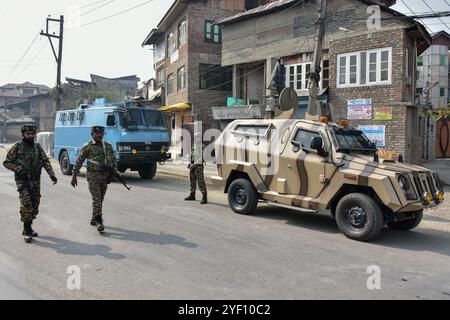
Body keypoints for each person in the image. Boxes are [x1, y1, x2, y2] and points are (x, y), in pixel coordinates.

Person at [3, 124, 57, 243]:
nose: (31, 136)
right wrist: (18, 169)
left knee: (35, 204)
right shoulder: (17, 147)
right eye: (28, 134)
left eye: (33, 134)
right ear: (23, 134)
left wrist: (52, 174)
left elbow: (45, 161)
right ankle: (27, 230)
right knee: (26, 202)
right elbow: (6, 162)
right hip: (22, 180)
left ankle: (29, 226)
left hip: (35, 180)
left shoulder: (37, 147)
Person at [71, 126, 117, 232]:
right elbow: (79, 160)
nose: (98, 135)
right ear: (92, 134)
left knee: (100, 199)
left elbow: (114, 161)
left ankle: (93, 218)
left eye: (100, 133)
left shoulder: (108, 146)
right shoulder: (88, 146)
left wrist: (114, 173)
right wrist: (74, 176)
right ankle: (99, 221)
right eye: (96, 133)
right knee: (96, 199)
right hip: (93, 176)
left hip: (105, 177)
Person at [185, 132, 207, 204]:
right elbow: (191, 155)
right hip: (192, 166)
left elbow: (202, 158)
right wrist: (189, 163)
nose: (196, 139)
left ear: (200, 138)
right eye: (195, 137)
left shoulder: (203, 146)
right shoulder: (194, 146)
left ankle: (204, 197)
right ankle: (192, 195)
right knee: (192, 181)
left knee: (201, 182)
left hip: (198, 167)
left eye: (198, 137)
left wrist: (193, 165)